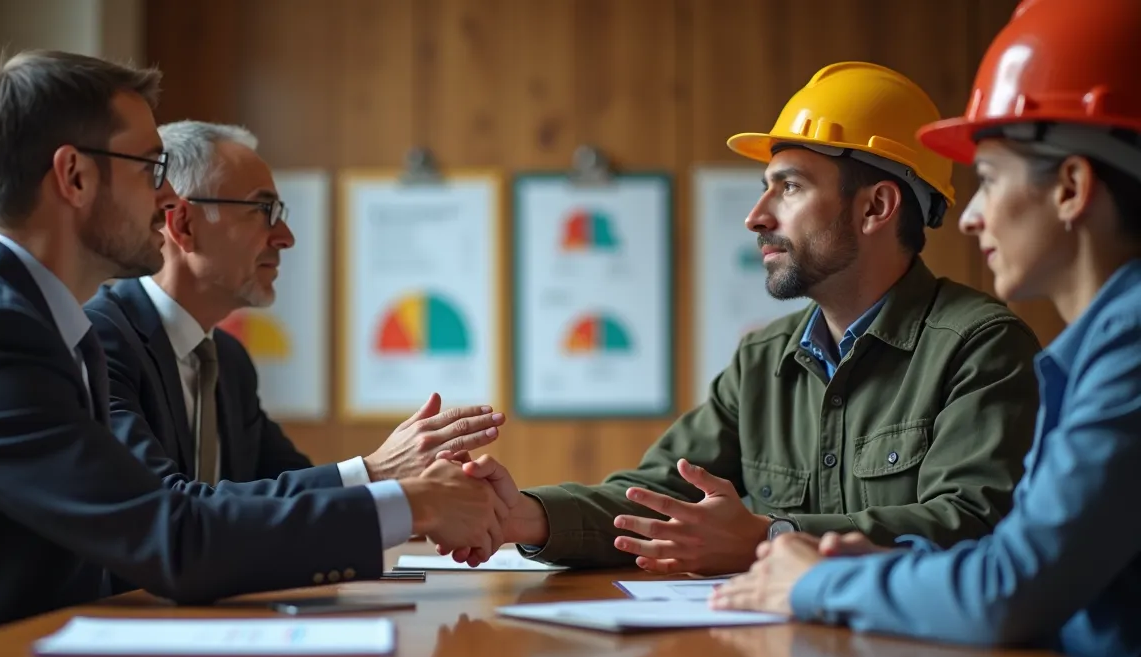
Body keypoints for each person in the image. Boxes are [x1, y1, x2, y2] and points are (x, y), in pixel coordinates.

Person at [0, 50, 504, 657]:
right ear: (74, 176)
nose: (165, 196)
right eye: (151, 167)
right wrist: (409, 504)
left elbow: (157, 526)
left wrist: (405, 497)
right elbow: (171, 536)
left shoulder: (43, 325)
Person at [447, 62, 1045, 576]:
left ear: (876, 207)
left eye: (788, 188)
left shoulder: (981, 346)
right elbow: (660, 495)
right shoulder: (763, 359)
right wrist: (524, 515)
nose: (756, 217)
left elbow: (972, 523)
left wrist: (770, 537)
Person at [711, 2, 1141, 657]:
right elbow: (1013, 562)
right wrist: (883, 561)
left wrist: (816, 579)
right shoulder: (1099, 345)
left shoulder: (1127, 345)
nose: (968, 218)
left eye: (990, 180)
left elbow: (1009, 589)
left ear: (1071, 187)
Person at [85, 120, 505, 494]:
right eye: (263, 210)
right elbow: (163, 510)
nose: (286, 237)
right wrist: (376, 472)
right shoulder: (101, 342)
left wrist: (419, 491)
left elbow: (296, 502)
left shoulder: (228, 362)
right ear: (184, 225)